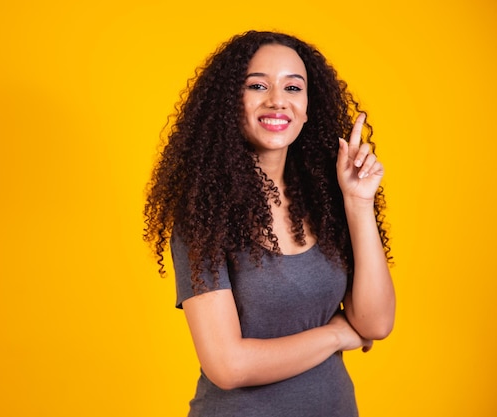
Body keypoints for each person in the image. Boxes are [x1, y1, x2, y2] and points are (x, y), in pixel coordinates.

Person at [143, 30, 395, 417]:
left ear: (309, 106)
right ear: (230, 102)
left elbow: (375, 322)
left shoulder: (326, 202)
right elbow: (228, 366)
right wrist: (336, 333)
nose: (277, 100)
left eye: (293, 87)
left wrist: (358, 203)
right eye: (257, 85)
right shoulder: (203, 216)